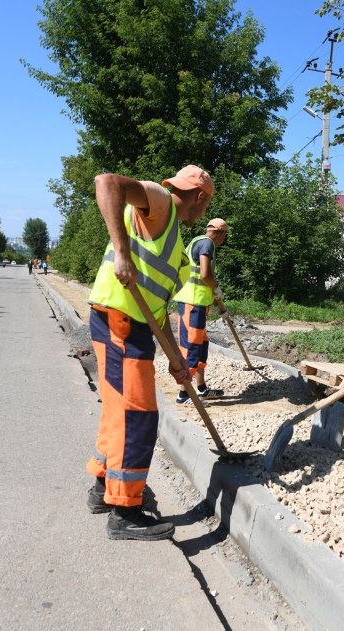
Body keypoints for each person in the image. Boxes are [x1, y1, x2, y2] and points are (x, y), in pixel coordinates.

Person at [85, 164, 214, 541]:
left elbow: (158, 313)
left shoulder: (174, 245)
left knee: (119, 411)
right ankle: (124, 511)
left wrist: (176, 360)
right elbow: (106, 182)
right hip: (119, 321)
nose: (203, 215)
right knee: (137, 417)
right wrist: (121, 251)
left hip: (132, 325)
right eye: (205, 207)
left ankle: (102, 487)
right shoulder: (160, 203)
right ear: (201, 197)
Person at [171, 217, 231, 405]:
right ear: (220, 233)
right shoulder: (208, 244)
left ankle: (201, 389)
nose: (223, 240)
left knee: (201, 345)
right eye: (224, 235)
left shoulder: (196, 242)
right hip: (193, 303)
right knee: (191, 348)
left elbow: (201, 277)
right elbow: (205, 275)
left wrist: (217, 303)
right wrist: (216, 286)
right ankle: (184, 394)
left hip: (199, 303)